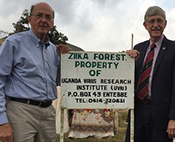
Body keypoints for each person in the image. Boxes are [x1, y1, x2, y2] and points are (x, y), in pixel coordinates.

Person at [0, 2, 71, 142]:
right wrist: (2, 122)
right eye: (39, 16)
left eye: (48, 17)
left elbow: (54, 83)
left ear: (52, 23)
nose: (43, 20)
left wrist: (64, 61)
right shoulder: (14, 43)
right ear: (30, 19)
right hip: (21, 111)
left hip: (48, 111)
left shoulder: (53, 50)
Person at [125, 6, 175, 142]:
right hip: (138, 113)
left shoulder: (173, 49)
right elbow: (128, 80)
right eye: (151, 21)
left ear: (165, 24)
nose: (155, 25)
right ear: (145, 25)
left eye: (159, 21)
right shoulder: (137, 49)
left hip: (162, 118)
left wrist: (173, 118)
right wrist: (128, 62)